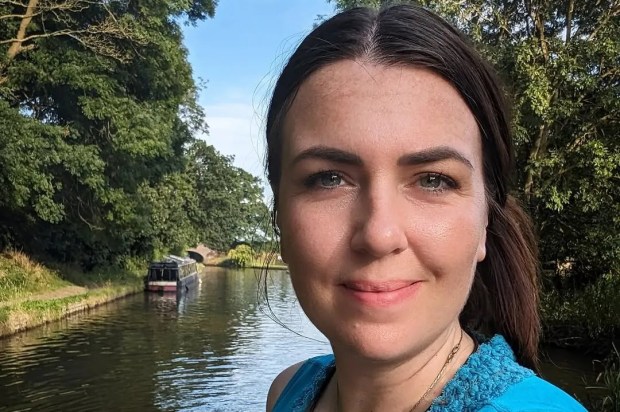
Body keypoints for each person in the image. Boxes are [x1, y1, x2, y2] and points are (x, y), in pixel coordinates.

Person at [263, 4, 587, 411]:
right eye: (329, 178)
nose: (379, 235)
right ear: (280, 216)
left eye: (433, 180)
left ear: (485, 218)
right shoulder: (289, 390)